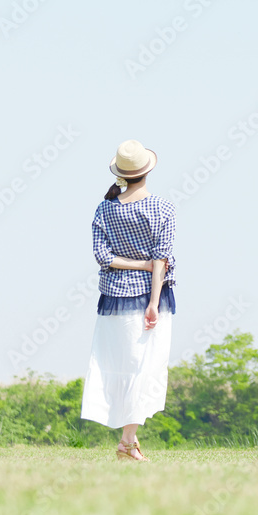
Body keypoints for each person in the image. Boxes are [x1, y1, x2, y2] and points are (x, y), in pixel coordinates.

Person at [81, 139, 177, 461]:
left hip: (114, 297)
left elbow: (102, 256)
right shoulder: (162, 207)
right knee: (145, 366)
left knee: (124, 365)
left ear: (122, 174)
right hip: (150, 295)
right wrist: (153, 300)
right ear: (147, 171)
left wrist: (137, 264)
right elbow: (161, 259)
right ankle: (128, 442)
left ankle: (128, 441)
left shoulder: (105, 207)